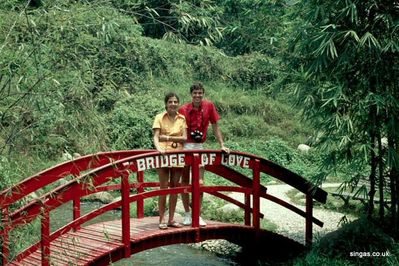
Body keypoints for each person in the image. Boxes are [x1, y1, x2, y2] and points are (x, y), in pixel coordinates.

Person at [179, 82, 230, 227]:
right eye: (195, 93)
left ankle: (198, 214)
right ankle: (187, 214)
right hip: (185, 146)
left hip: (200, 146)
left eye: (200, 93)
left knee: (200, 183)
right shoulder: (183, 109)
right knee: (184, 181)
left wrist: (222, 145)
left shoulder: (209, 106)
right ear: (191, 94)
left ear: (203, 93)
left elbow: (215, 126)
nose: (197, 95)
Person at [153, 92, 187, 230]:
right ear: (166, 104)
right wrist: (159, 148)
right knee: (164, 187)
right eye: (170, 102)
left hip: (178, 155)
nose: (173, 104)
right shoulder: (159, 117)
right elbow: (156, 137)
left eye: (175, 102)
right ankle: (162, 219)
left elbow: (184, 138)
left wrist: (166, 137)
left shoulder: (182, 118)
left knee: (175, 187)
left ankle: (171, 219)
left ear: (178, 103)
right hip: (163, 154)